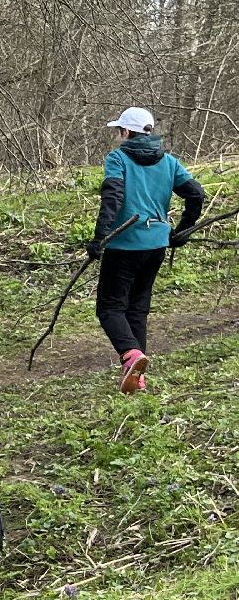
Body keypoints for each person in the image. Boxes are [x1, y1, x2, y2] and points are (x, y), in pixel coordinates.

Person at [89, 107, 205, 393]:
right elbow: (196, 194)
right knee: (137, 310)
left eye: (120, 131)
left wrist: (100, 237)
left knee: (110, 307)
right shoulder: (169, 162)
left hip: (124, 245)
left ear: (127, 132)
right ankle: (136, 378)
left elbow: (113, 196)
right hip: (156, 245)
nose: (118, 136)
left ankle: (131, 355)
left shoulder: (118, 158)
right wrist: (181, 231)